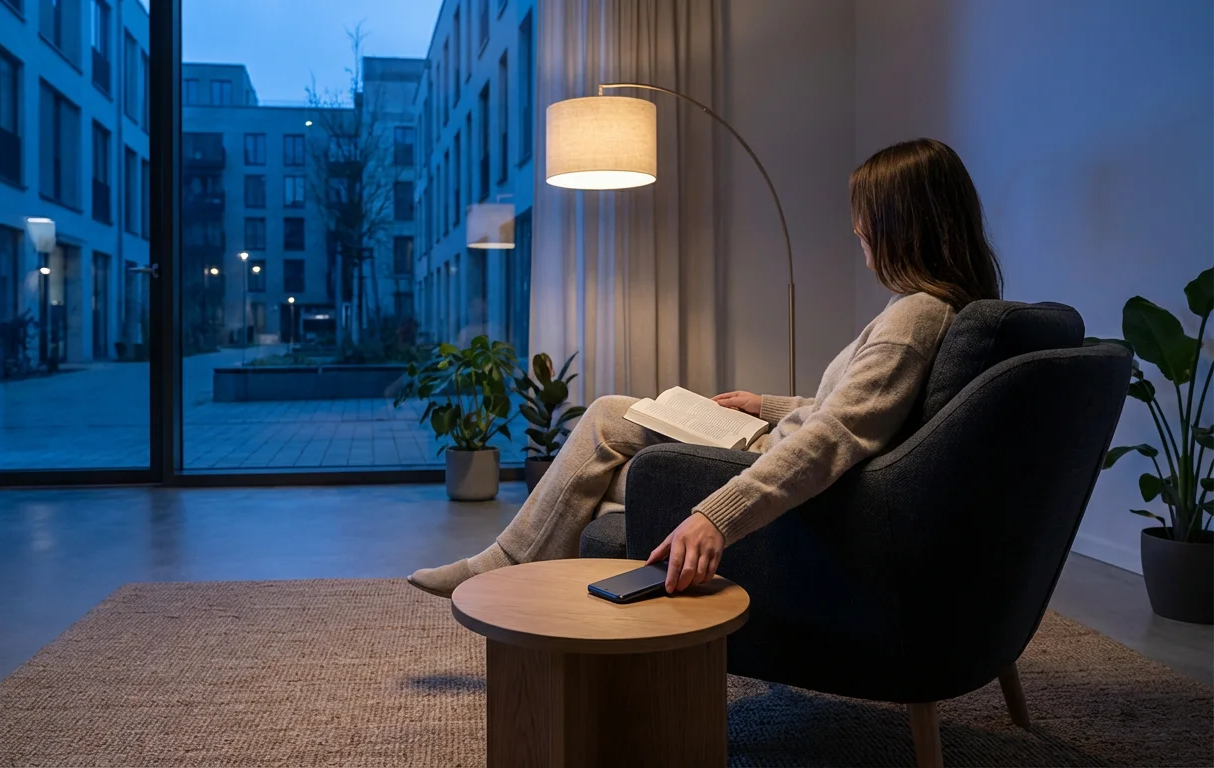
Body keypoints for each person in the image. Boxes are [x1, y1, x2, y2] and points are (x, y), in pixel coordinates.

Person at [408, 137, 1003, 599]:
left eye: (867, 216)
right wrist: (768, 406)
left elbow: (839, 436)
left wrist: (715, 517)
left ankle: (506, 570)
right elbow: (853, 407)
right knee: (611, 424)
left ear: (902, 223)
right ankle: (522, 573)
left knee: (604, 464)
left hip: (776, 469)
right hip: (765, 439)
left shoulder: (913, 319)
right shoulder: (926, 312)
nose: (857, 229)